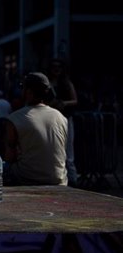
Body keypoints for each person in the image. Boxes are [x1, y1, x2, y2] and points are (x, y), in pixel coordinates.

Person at [0, 72, 68, 186]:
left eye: (23, 88)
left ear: (28, 92)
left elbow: (9, 157)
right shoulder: (61, 117)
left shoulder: (14, 118)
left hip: (28, 177)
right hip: (59, 179)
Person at [47, 58, 78, 186]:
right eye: (54, 66)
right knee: (54, 149)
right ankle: (59, 178)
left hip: (65, 117)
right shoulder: (47, 84)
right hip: (52, 119)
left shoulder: (66, 83)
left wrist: (63, 103)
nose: (56, 69)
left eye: (59, 67)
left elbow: (75, 100)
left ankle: (72, 179)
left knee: (68, 151)